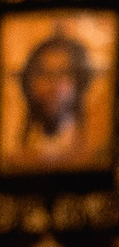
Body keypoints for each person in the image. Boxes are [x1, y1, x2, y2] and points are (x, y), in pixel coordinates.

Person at [15, 30, 97, 169]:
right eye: (44, 74)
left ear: (79, 83)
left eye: (63, 73)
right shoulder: (15, 160)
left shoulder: (93, 157)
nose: (53, 85)